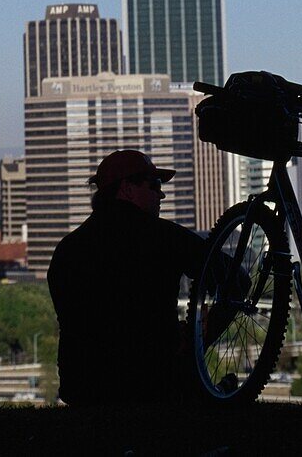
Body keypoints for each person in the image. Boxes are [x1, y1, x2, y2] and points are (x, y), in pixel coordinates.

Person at [47, 148, 207, 407]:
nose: (161, 194)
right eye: (154, 185)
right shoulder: (164, 236)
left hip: (83, 388)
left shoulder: (67, 249)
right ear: (127, 189)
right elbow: (235, 278)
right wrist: (200, 329)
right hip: (151, 384)